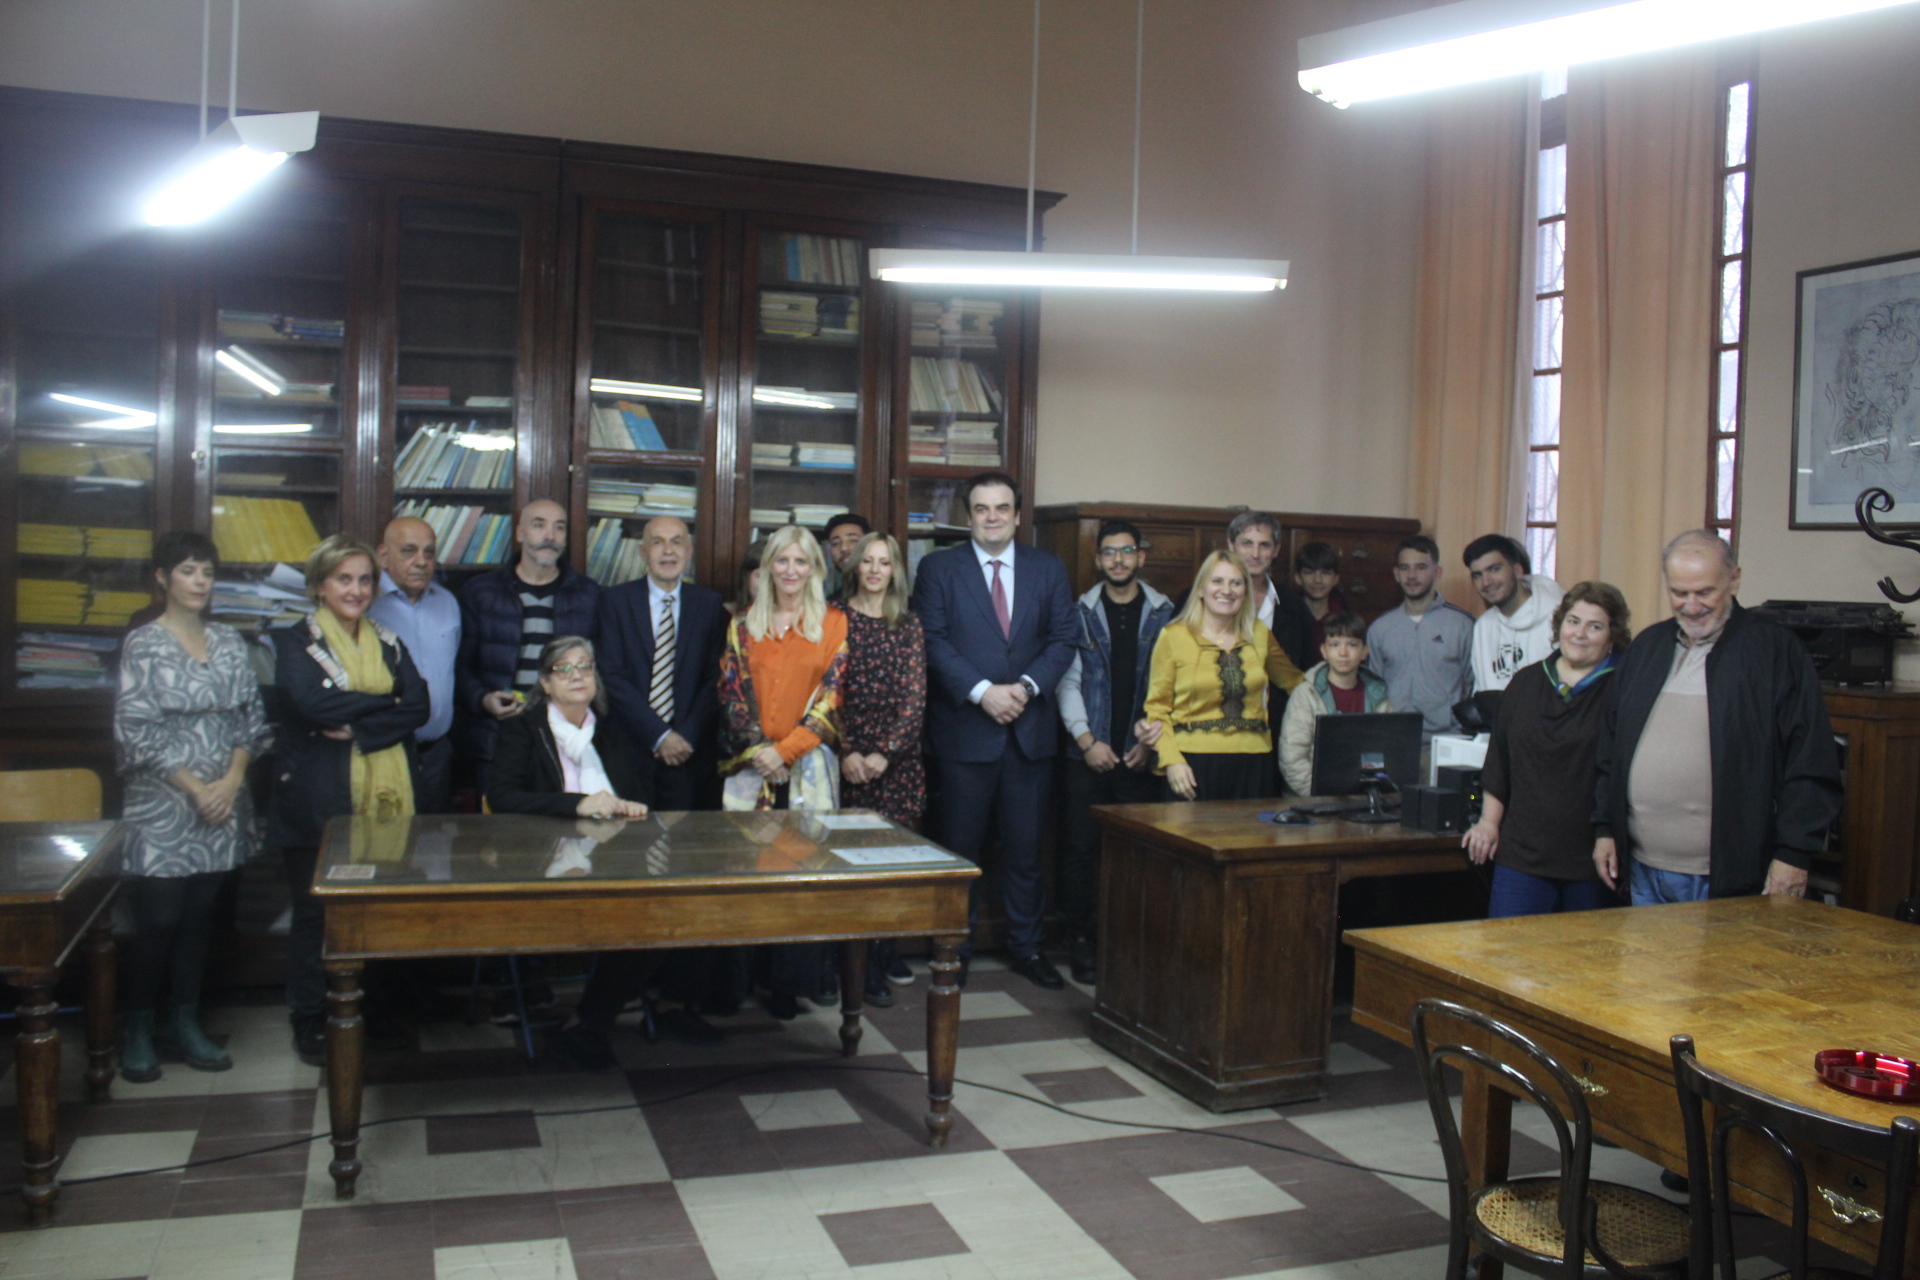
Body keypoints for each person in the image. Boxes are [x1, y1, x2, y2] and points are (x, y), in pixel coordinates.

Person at [1593, 531, 1842, 904]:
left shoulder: (1773, 650)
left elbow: (1809, 759)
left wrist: (1794, 854)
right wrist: (1605, 828)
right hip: (1641, 868)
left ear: (1734, 581)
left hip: (1729, 876)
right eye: (1679, 593)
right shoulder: (1647, 646)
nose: (1691, 606)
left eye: (1704, 592)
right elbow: (1610, 749)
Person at [113, 530, 273, 1082]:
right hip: (165, 804)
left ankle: (186, 1023)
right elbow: (136, 731)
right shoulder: (144, 643)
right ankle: (138, 1029)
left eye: (207, 571)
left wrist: (231, 782)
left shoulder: (229, 640)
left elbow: (251, 719)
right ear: (162, 578)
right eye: (187, 571)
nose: (200, 581)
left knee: (200, 918)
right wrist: (197, 789)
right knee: (159, 919)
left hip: (224, 802)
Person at [912, 470, 1078, 989]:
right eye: (981, 509)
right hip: (965, 733)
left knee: (1026, 852)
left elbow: (1064, 638)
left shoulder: (1047, 567)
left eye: (1001, 508)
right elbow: (932, 640)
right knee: (960, 851)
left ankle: (1027, 948)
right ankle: (953, 949)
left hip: (1029, 734)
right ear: (969, 516)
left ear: (1017, 515)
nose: (992, 518)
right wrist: (983, 692)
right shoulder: (939, 568)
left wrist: (1024, 688)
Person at [269, 535, 430, 1065]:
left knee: (378, 909)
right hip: (317, 800)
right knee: (316, 916)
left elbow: (420, 705)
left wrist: (361, 726)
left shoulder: (387, 640)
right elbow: (311, 704)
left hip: (387, 795)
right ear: (320, 586)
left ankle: (372, 1013)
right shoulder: (296, 641)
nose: (356, 590)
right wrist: (388, 700)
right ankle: (310, 1019)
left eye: (364, 580)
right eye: (344, 580)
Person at [485, 636, 659, 1069]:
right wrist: (576, 804)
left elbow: (637, 792)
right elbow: (503, 797)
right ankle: (589, 1026)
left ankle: (589, 1022)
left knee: (653, 917)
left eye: (585, 666)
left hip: (611, 862)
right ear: (545, 683)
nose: (577, 675)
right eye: (564, 669)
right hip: (540, 864)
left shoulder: (611, 729)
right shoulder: (523, 730)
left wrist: (631, 806)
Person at [718, 525, 849, 1017]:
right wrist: (760, 751)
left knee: (800, 873)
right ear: (768, 566)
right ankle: (738, 982)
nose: (791, 571)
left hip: (808, 766)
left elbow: (833, 698)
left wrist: (786, 752)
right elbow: (730, 691)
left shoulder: (833, 623)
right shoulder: (743, 623)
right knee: (744, 872)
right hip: (751, 766)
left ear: (815, 569)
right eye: (782, 560)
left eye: (801, 561)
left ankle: (787, 987)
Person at [1463, 582, 1629, 916]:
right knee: (1506, 946)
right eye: (1573, 621)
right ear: (1559, 625)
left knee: (1584, 950)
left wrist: (1609, 834)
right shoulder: (1526, 682)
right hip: (1522, 856)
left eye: (1595, 626)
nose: (1580, 634)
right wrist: (1488, 822)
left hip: (1591, 857)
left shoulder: (1624, 686)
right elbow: (1499, 759)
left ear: (1612, 636)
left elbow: (1620, 772)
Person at [1055, 519, 1172, 983]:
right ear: (1098, 559)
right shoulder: (1078, 612)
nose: (1118, 560)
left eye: (1126, 551)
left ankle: (1127, 942)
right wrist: (1086, 740)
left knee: (1137, 856)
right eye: (1109, 552)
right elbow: (1068, 682)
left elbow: (1171, 686)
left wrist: (1148, 743)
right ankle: (1081, 941)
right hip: (1088, 754)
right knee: (1080, 851)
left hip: (1142, 755)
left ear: (1141, 556)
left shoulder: (1165, 612)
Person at [837, 531, 928, 1005]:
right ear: (855, 566)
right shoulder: (834, 618)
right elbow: (824, 692)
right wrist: (847, 752)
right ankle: (857, 967)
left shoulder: (907, 624)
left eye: (885, 562)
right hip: (846, 760)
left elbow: (915, 698)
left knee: (893, 865)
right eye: (868, 561)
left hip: (897, 764)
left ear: (895, 571)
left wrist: (885, 753)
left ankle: (883, 954)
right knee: (850, 867)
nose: (875, 570)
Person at [456, 498, 600, 782]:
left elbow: (600, 669)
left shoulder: (589, 595)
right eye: (539, 525)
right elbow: (460, 667)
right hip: (498, 737)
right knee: (498, 811)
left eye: (559, 528)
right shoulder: (481, 592)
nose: (550, 536)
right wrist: (483, 699)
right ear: (520, 533)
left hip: (568, 740)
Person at [1144, 549, 1306, 802]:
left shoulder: (1259, 633)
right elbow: (1157, 709)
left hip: (1254, 764)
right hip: (1191, 765)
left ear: (1246, 591)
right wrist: (1172, 761)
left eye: (1236, 583)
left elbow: (1295, 682)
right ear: (1201, 589)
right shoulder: (1174, 636)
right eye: (1217, 581)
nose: (1227, 590)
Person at [597, 515, 726, 811]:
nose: (668, 551)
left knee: (686, 837)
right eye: (658, 542)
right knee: (629, 835)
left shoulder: (709, 604)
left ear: (689, 551)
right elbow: (611, 675)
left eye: (676, 542)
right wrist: (659, 735)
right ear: (643, 552)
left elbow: (715, 678)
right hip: (631, 748)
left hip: (690, 752)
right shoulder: (615, 601)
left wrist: (684, 738)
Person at [369, 515, 459, 813]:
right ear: (383, 556)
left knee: (433, 837)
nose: (421, 561)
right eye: (409, 551)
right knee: (385, 836)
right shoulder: (366, 604)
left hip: (436, 753)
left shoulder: (448, 602)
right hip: (384, 750)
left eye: (429, 553)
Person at [1366, 535, 1474, 743]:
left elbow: (1474, 685)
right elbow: (1372, 687)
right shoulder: (1380, 628)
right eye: (1405, 568)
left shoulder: (1462, 625)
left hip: (1447, 740)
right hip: (1393, 739)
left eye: (1421, 567)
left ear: (1437, 572)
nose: (1412, 575)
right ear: (1396, 574)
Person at [1278, 610, 1391, 796]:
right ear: (1324, 651)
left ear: (1365, 652)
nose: (1343, 653)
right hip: (1314, 799)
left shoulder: (1378, 695)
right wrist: (1324, 795)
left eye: (1352, 645)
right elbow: (1292, 759)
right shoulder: (1306, 694)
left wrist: (1367, 794)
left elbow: (1386, 754)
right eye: (1335, 645)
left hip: (1364, 797)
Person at [1464, 533, 1565, 693]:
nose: (1486, 582)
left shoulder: (1559, 617)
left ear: (1517, 571)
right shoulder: (1483, 626)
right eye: (1478, 575)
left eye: (1494, 569)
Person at [1223, 511, 1316, 672]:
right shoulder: (1200, 597)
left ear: (1276, 550)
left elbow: (1305, 668)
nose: (1255, 554)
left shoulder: (1294, 605)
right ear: (1231, 546)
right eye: (1247, 543)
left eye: (1264, 545)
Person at [1293, 541, 1348, 655]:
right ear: (1298, 578)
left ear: (1336, 579)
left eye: (1325, 573)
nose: (1317, 580)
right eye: (1309, 573)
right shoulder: (1286, 616)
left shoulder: (1346, 618)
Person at [822, 512, 871, 599]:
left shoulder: (892, 598)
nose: (844, 548)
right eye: (835, 543)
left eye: (853, 540)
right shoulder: (832, 604)